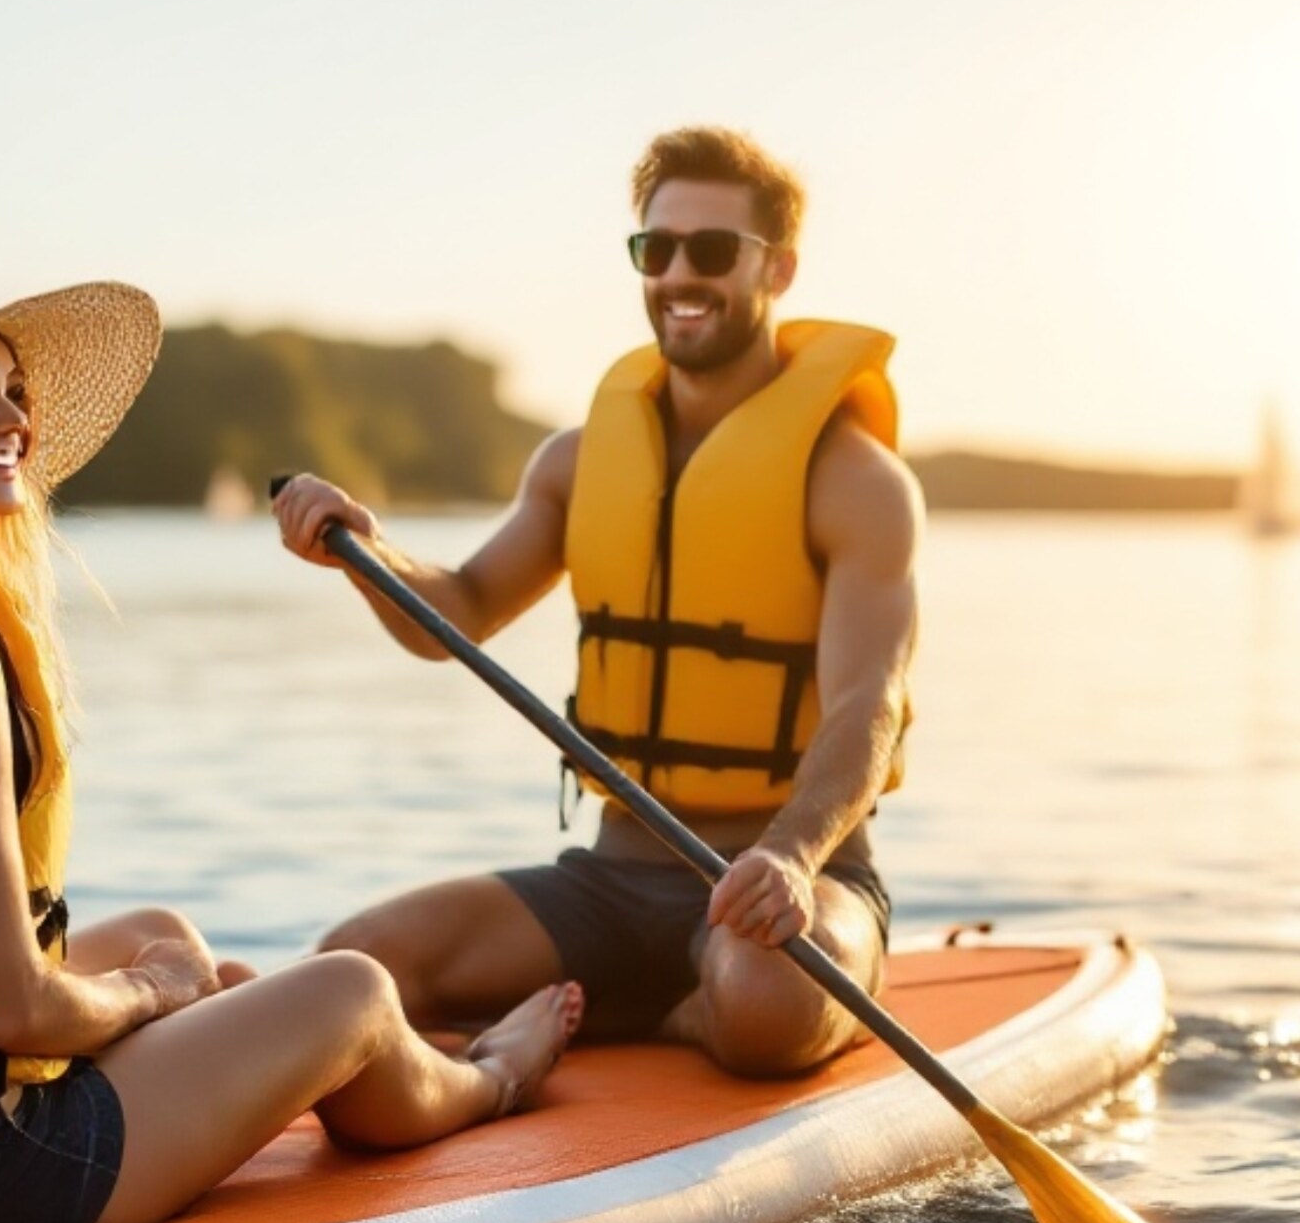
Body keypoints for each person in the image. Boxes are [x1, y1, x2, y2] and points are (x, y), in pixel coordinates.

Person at [0, 252, 582, 1223]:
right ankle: (490, 1077)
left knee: (174, 936)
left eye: (15, 392)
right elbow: (13, 1008)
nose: (14, 419)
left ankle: (248, 1033)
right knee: (353, 991)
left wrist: (165, 977)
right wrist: (147, 993)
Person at [274, 127, 920, 1076]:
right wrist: (365, 551)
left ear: (777, 268)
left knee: (763, 1003)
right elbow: (458, 610)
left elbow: (870, 709)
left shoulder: (855, 481)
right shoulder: (577, 462)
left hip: (791, 883)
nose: (678, 275)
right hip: (613, 879)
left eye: (712, 250)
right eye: (656, 250)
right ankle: (624, 1015)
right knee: (356, 962)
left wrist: (787, 857)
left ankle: (689, 1015)